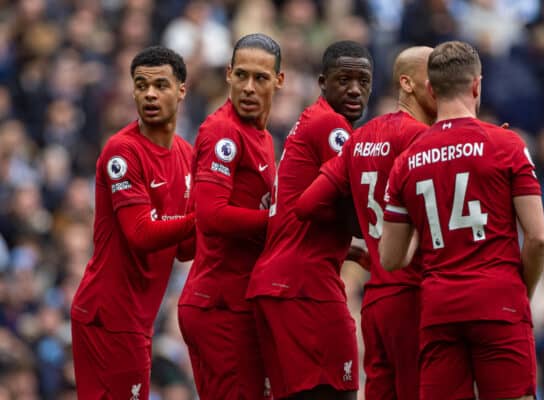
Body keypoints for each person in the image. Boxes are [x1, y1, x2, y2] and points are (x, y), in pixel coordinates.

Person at [380, 40, 544, 400]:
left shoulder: (406, 161)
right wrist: (523, 292)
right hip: (499, 301)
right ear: (476, 85)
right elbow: (538, 239)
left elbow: (391, 259)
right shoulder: (507, 145)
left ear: (430, 89)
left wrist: (426, 225)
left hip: (440, 308)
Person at [294, 46, 436, 400]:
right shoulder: (422, 140)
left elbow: (307, 203)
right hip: (413, 294)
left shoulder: (359, 138)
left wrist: (364, 237)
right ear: (407, 83)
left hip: (376, 302)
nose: (443, 88)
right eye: (434, 80)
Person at [247, 40, 373, 400]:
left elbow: (305, 213)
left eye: (362, 81)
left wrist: (345, 251)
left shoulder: (311, 121)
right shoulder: (333, 128)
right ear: (322, 82)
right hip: (303, 287)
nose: (354, 89)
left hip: (279, 284)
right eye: (343, 79)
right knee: (341, 391)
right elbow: (354, 215)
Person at [70, 46, 195, 400]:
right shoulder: (121, 152)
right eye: (141, 85)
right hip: (107, 316)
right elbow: (140, 234)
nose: (150, 93)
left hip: (137, 317)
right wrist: (206, 218)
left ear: (182, 90)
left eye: (160, 84)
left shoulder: (188, 156)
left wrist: (225, 225)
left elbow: (185, 249)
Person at [177, 33, 284, 400]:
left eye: (261, 78)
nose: (249, 87)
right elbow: (212, 215)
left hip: (237, 301)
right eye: (242, 75)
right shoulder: (223, 130)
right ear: (228, 74)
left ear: (279, 81)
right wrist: (281, 224)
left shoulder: (263, 137)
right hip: (218, 305)